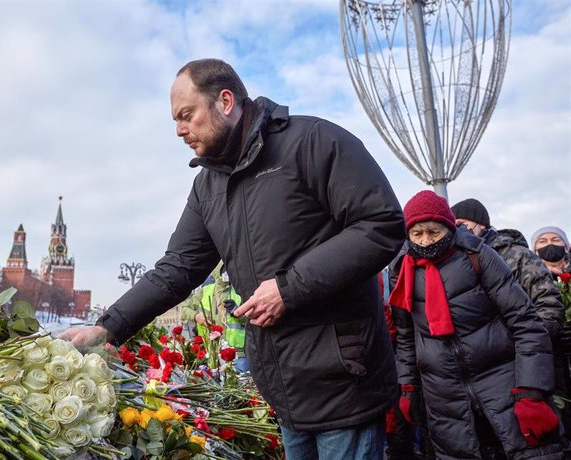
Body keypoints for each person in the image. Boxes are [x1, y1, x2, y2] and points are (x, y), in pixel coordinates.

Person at [60, 58, 405, 459]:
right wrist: (107, 328)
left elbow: (380, 225)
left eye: (186, 115)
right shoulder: (208, 187)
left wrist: (288, 289)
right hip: (284, 390)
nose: (179, 131)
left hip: (344, 382)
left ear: (225, 101)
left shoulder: (311, 141)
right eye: (175, 121)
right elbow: (177, 268)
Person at [390, 190, 563, 459]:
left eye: (433, 232)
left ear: (448, 227)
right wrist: (408, 387)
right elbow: (406, 337)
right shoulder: (402, 271)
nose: (426, 241)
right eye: (418, 233)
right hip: (445, 401)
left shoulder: (477, 256)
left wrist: (531, 390)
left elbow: (526, 322)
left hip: (506, 386)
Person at [452, 199, 571, 446]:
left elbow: (549, 310)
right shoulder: (460, 263)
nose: (457, 230)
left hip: (531, 370)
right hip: (488, 378)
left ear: (481, 224)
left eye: (462, 223)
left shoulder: (515, 255)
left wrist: (508, 343)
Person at [180, 262, 249, 372]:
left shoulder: (241, 290)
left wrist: (237, 311)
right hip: (212, 353)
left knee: (241, 385)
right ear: (218, 271)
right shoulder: (206, 290)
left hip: (238, 355)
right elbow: (184, 308)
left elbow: (253, 322)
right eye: (224, 269)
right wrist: (196, 316)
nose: (227, 272)